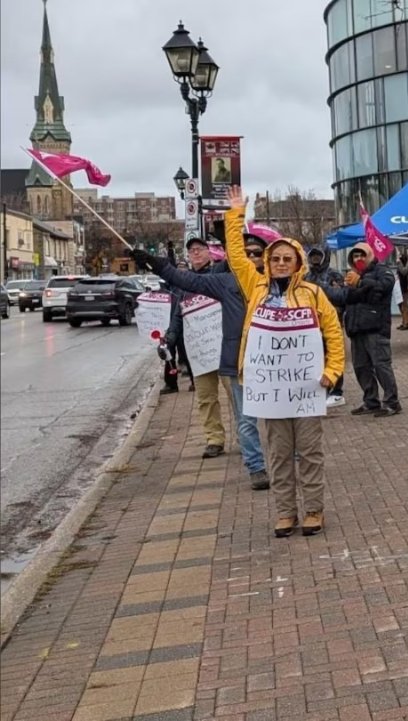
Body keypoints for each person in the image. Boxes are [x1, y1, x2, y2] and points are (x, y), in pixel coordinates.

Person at [223, 186, 345, 538]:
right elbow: (235, 255)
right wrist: (236, 215)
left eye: (285, 259)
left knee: (309, 452)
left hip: (306, 388)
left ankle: (313, 510)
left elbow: (333, 334)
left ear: (297, 263)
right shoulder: (256, 286)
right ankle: (285, 512)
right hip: (269, 389)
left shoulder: (312, 293)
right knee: (277, 453)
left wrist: (332, 371)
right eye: (274, 258)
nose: (279, 263)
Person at [132, 237, 270, 491]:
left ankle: (263, 451)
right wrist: (156, 263)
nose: (251, 258)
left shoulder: (260, 281)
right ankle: (240, 455)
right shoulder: (217, 283)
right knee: (224, 406)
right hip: (212, 353)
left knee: (257, 412)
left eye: (257, 253)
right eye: (191, 250)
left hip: (253, 356)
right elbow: (182, 290)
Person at [165, 236, 226, 459]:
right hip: (200, 351)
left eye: (200, 249)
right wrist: (170, 337)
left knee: (236, 395)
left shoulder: (220, 274)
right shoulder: (185, 283)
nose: (196, 254)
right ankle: (214, 439)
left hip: (224, 348)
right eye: (192, 251)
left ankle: (245, 435)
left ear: (210, 253)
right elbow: (178, 316)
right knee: (206, 398)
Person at [336, 242, 401, 416]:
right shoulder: (351, 275)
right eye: (355, 256)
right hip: (356, 329)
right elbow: (347, 298)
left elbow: (385, 286)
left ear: (370, 255)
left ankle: (391, 403)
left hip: (376, 328)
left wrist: (362, 282)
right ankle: (370, 401)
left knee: (381, 366)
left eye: (362, 255)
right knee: (361, 367)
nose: (359, 259)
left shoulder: (382, 271)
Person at [305, 246, 348, 408]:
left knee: (334, 355)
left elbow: (342, 296)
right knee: (316, 357)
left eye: (318, 256)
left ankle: (337, 392)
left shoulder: (333, 274)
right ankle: (321, 389)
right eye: (313, 256)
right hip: (310, 325)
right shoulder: (306, 276)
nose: (315, 259)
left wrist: (321, 290)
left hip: (331, 321)